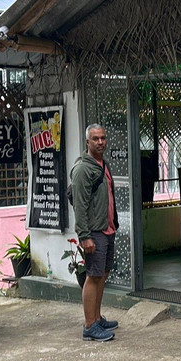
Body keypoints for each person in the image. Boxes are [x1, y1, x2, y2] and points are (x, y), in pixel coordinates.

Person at [69, 124, 120, 342]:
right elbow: (80, 205)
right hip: (94, 231)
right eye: (95, 139)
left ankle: (97, 318)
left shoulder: (102, 165)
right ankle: (90, 325)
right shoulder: (83, 169)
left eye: (103, 138)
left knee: (103, 274)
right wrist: (85, 236)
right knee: (93, 276)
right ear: (87, 142)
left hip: (107, 228)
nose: (100, 142)